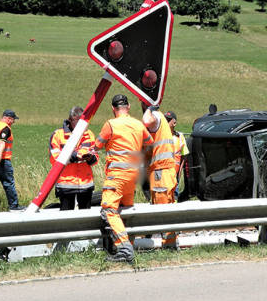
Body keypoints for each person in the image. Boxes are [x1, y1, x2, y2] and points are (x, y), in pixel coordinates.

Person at [94, 95, 153, 262]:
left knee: (109, 210)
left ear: (113, 108)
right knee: (126, 210)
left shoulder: (111, 124)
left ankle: (124, 248)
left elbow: (96, 146)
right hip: (132, 175)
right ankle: (128, 245)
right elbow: (149, 141)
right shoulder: (138, 124)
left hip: (117, 175)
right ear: (128, 106)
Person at [142, 103, 178, 249]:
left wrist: (150, 109)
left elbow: (147, 121)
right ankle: (170, 244)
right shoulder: (161, 122)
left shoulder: (155, 116)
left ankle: (168, 247)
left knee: (162, 211)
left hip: (160, 173)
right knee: (168, 209)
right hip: (165, 171)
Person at [49, 107, 98, 211]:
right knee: (66, 218)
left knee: (85, 218)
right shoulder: (58, 135)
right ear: (70, 119)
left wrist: (90, 158)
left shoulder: (89, 134)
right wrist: (75, 156)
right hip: (66, 184)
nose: (81, 123)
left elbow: (95, 158)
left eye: (83, 120)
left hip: (86, 184)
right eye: (78, 120)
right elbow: (55, 159)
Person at [164, 111, 190, 201]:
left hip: (175, 175)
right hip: (163, 174)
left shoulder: (179, 136)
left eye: (168, 120)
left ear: (174, 123)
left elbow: (184, 155)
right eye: (164, 120)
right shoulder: (161, 136)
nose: (165, 122)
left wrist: (179, 172)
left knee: (174, 196)